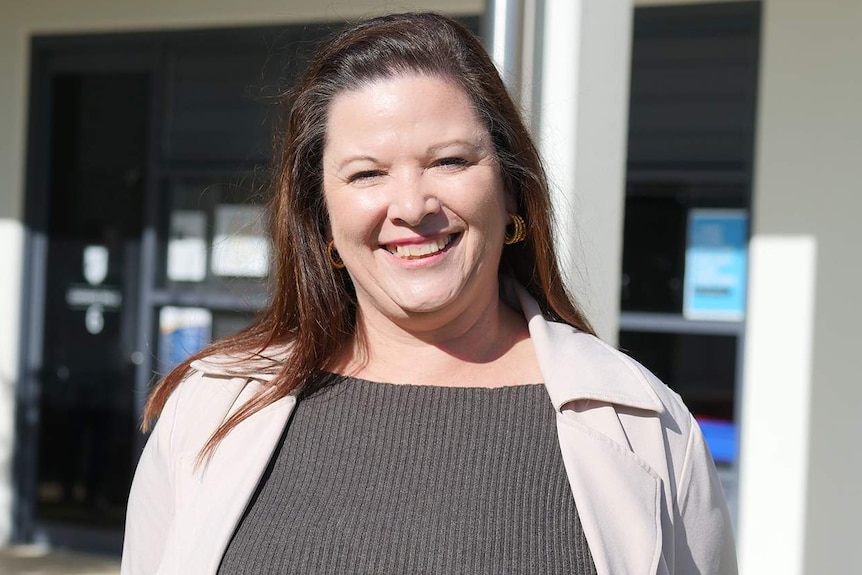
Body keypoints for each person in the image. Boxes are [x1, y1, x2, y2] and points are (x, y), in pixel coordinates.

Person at [121, 12, 737, 575]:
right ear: (320, 215)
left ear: (512, 191)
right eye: (368, 173)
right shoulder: (211, 411)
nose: (413, 206)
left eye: (448, 161)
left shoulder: (646, 425)